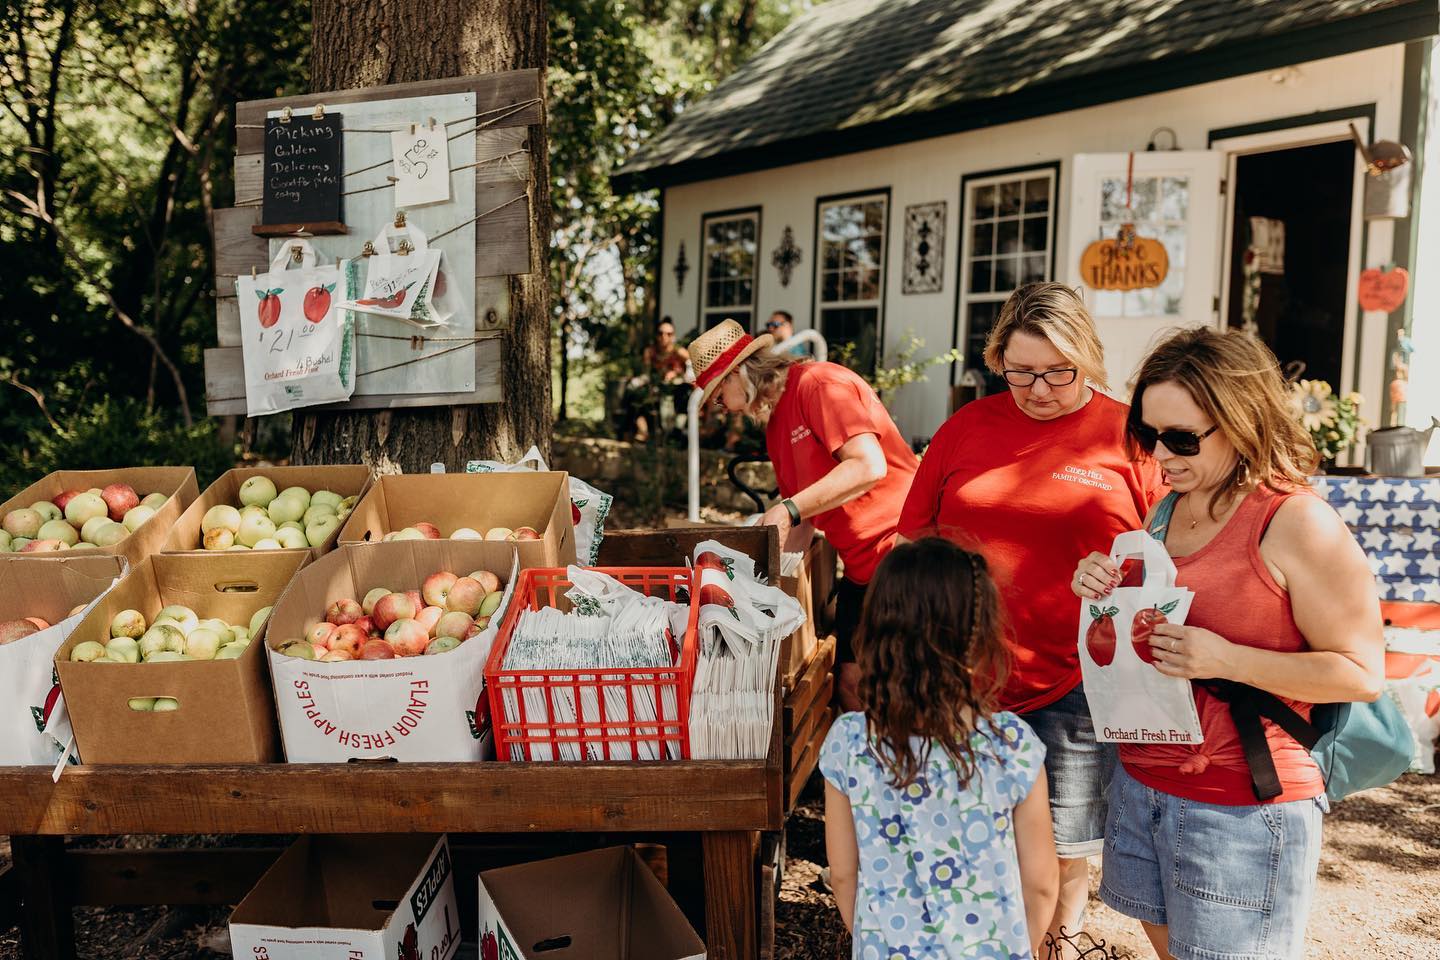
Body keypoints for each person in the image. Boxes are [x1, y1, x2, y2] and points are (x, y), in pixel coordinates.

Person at [1070, 327, 1383, 960]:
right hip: (1142, 783)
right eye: (1146, 433)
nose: (1159, 453)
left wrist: (1226, 659)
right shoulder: (1167, 507)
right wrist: (1102, 585)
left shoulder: (1295, 521)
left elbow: (1361, 672)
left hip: (1241, 808)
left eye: (1182, 438)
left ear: (1240, 422)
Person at [897, 282, 1164, 950]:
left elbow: (1169, 549)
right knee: (964, 823)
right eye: (1019, 373)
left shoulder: (1130, 435)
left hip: (1078, 674)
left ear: (1086, 361)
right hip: (960, 671)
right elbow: (910, 545)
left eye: (1057, 373)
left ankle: (1054, 939)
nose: (1039, 390)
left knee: (1064, 838)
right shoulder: (967, 428)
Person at [822, 537, 1058, 957]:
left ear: (876, 628)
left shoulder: (848, 742)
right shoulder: (1013, 746)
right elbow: (1040, 884)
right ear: (979, 635)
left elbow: (843, 876)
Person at [691, 318, 918, 712]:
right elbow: (800, 522)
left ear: (738, 374)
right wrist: (760, 583)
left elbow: (868, 466)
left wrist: (788, 508)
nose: (722, 408)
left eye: (717, 396)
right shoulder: (776, 424)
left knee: (896, 688)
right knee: (849, 683)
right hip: (862, 566)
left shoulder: (819, 384)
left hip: (904, 554)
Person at [633, 317, 689, 442]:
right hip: (656, 389)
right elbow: (646, 374)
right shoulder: (650, 352)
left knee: (682, 398)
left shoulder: (679, 352)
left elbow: (693, 368)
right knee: (637, 399)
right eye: (661, 333)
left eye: (668, 334)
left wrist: (676, 373)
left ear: (673, 336)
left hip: (677, 390)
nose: (664, 337)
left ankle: (676, 433)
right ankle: (643, 432)